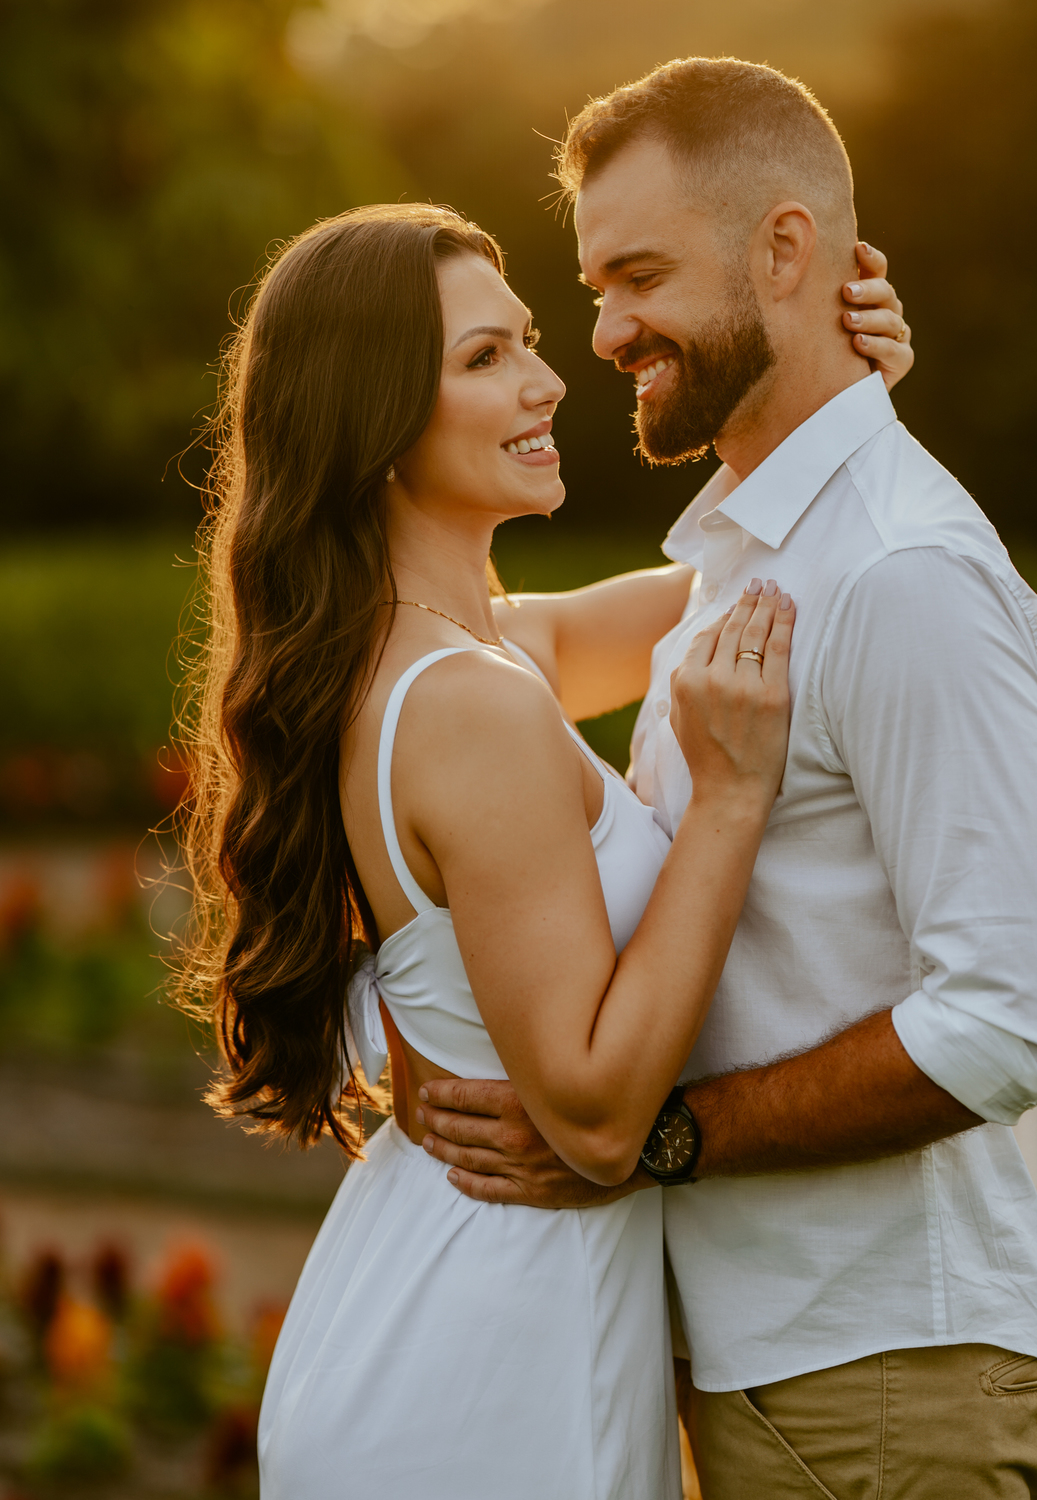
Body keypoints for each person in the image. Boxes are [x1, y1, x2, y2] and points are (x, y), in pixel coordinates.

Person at [417, 59, 1037, 1500]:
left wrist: (656, 1139)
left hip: (884, 1377)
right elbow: (477, 647)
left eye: (638, 276)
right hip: (776, 1365)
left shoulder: (905, 577)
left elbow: (1014, 1022)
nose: (603, 333)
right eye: (592, 288)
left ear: (786, 250)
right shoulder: (748, 559)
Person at [175, 196, 913, 1498]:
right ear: (374, 423)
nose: (547, 377)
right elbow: (592, 1110)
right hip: (490, 1364)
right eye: (484, 358)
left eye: (525, 339)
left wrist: (844, 407)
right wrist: (729, 802)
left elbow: (760, 583)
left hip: (452, 1300)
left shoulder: (485, 652)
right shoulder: (471, 706)